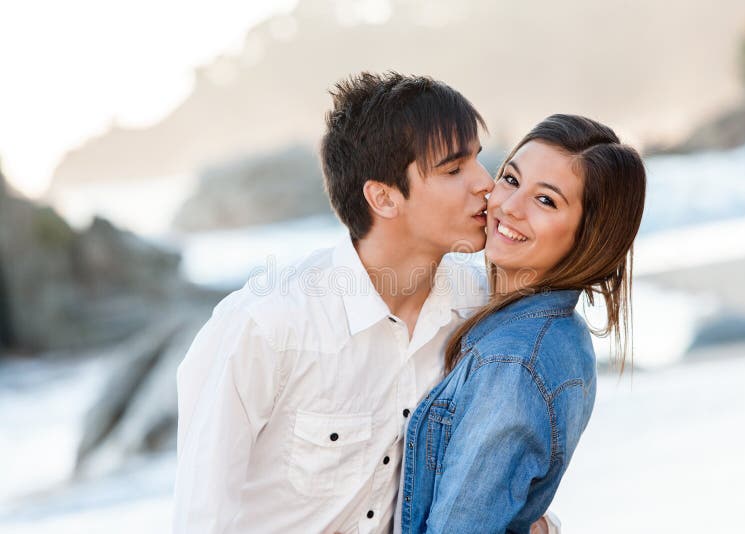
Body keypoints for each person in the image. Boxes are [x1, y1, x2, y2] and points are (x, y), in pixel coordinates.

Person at [172, 71, 554, 533]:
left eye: (477, 160)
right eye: (454, 170)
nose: (486, 184)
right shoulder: (267, 326)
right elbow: (202, 518)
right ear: (384, 197)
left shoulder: (479, 310)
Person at [399, 114, 647, 533]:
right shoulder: (565, 333)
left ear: (590, 235)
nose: (508, 207)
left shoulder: (514, 364)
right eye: (511, 179)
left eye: (546, 200)